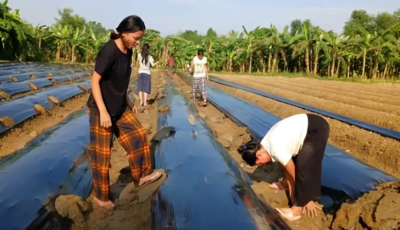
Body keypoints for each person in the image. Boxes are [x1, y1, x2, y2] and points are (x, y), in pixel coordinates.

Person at [86, 15, 162, 210]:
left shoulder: (127, 51)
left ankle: (142, 176)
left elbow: (121, 80)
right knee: (102, 155)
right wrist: (102, 111)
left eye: (139, 39)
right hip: (101, 109)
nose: (137, 42)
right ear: (124, 32)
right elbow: (95, 81)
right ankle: (101, 197)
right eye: (135, 38)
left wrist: (127, 100)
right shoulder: (108, 51)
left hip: (119, 107)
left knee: (138, 135)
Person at [238, 113, 329, 221]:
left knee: (304, 167)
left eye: (260, 163)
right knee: (291, 165)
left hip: (315, 129)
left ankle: (297, 210)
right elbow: (284, 167)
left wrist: (305, 197)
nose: (263, 164)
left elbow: (294, 173)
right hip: (307, 126)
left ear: (259, 155)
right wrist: (288, 184)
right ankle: (285, 184)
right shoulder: (264, 145)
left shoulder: (276, 149)